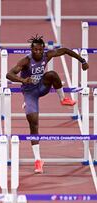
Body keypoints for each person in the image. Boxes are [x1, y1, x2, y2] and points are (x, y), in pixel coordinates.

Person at [6, 35, 89, 174]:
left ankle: (63, 99)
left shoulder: (47, 55)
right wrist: (23, 80)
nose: (37, 53)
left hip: (42, 87)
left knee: (52, 74)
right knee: (33, 123)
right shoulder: (26, 60)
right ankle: (38, 160)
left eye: (40, 50)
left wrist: (82, 60)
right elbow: (9, 74)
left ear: (43, 49)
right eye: (35, 50)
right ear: (31, 50)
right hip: (30, 92)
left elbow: (65, 51)